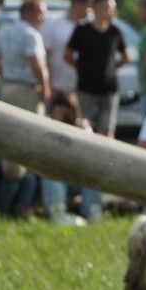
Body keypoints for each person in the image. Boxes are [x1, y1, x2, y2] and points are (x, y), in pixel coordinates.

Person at [0, 0, 51, 184]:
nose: (43, 18)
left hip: (8, 87)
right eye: (41, 13)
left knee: (8, 137)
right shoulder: (31, 34)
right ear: (28, 13)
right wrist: (45, 87)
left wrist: (5, 74)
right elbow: (35, 63)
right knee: (29, 139)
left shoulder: (5, 32)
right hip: (26, 90)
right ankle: (21, 187)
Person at [65, 0, 129, 137]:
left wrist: (111, 68)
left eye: (112, 8)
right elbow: (67, 55)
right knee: (83, 126)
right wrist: (82, 67)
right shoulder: (82, 30)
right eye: (107, 7)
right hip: (86, 88)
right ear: (96, 8)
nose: (110, 11)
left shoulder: (115, 32)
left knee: (107, 129)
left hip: (109, 89)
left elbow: (126, 57)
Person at [40, 93, 103, 224]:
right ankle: (57, 214)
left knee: (93, 174)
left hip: (75, 178)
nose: (60, 112)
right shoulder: (46, 125)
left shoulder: (80, 127)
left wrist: (84, 131)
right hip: (54, 179)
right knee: (51, 173)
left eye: (65, 109)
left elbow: (91, 153)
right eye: (57, 108)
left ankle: (92, 212)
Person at [41, 0, 93, 106]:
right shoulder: (54, 23)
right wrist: (48, 84)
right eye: (88, 7)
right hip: (56, 84)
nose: (90, 11)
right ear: (78, 5)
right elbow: (44, 54)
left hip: (80, 88)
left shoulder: (89, 27)